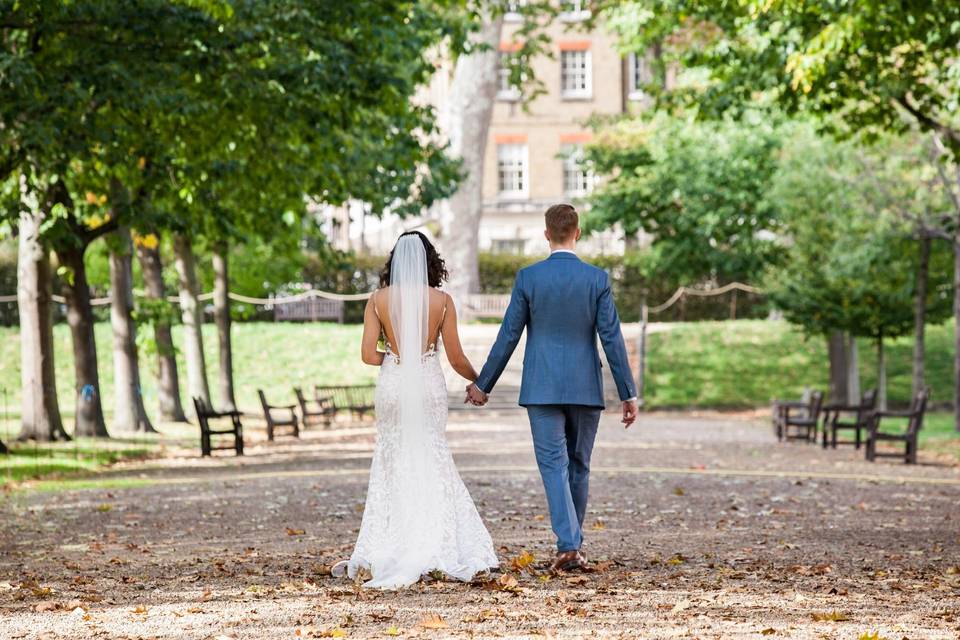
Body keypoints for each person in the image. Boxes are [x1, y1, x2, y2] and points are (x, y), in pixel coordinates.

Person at [466, 203, 638, 572]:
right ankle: (572, 545)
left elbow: (508, 335)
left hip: (542, 387)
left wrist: (483, 384)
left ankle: (569, 545)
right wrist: (628, 392)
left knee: (553, 466)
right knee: (579, 465)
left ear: (546, 235)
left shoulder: (529, 278)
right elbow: (612, 338)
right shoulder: (597, 279)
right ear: (577, 233)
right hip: (585, 387)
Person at [340, 231, 498, 589]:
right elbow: (456, 358)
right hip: (427, 382)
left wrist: (397, 358)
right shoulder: (441, 301)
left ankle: (388, 544)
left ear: (395, 262)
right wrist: (479, 382)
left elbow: (367, 355)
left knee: (392, 458)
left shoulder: (377, 300)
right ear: (430, 262)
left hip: (394, 382)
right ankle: (436, 542)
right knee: (431, 454)